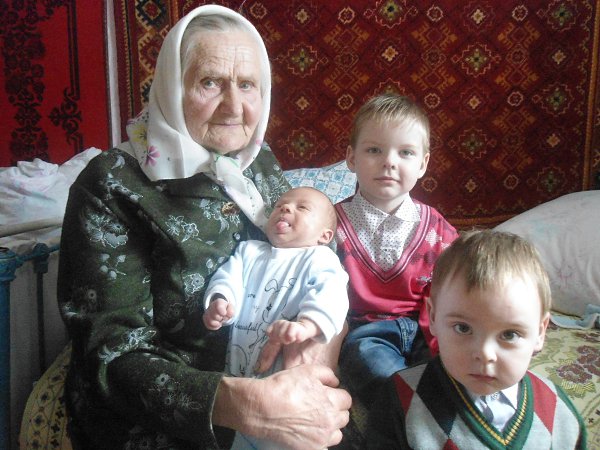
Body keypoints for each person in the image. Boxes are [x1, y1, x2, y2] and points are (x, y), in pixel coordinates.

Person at [57, 5, 351, 450]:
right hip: (165, 423)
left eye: (247, 85)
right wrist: (245, 405)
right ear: (171, 86)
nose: (234, 107)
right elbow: (110, 352)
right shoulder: (112, 184)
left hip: (272, 384)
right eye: (210, 82)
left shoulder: (257, 162)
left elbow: (321, 255)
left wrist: (320, 343)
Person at [367, 230, 587, 449]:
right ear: (433, 317)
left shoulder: (558, 412)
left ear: (540, 333)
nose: (485, 354)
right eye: (463, 328)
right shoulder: (401, 397)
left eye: (509, 334)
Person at [203, 186, 349, 449]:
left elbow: (332, 293)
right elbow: (228, 277)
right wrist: (221, 301)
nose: (285, 208)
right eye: (280, 205)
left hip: (288, 386)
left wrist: (308, 326)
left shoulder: (320, 257)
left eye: (302, 207)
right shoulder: (249, 251)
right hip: (240, 378)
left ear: (324, 235)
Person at [335, 93, 458, 405]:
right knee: (379, 374)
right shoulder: (331, 223)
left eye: (405, 152)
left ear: (422, 164)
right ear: (351, 158)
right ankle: (408, 410)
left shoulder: (437, 227)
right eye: (374, 150)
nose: (389, 161)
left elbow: (456, 285)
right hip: (366, 333)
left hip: (425, 329)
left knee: (453, 373)